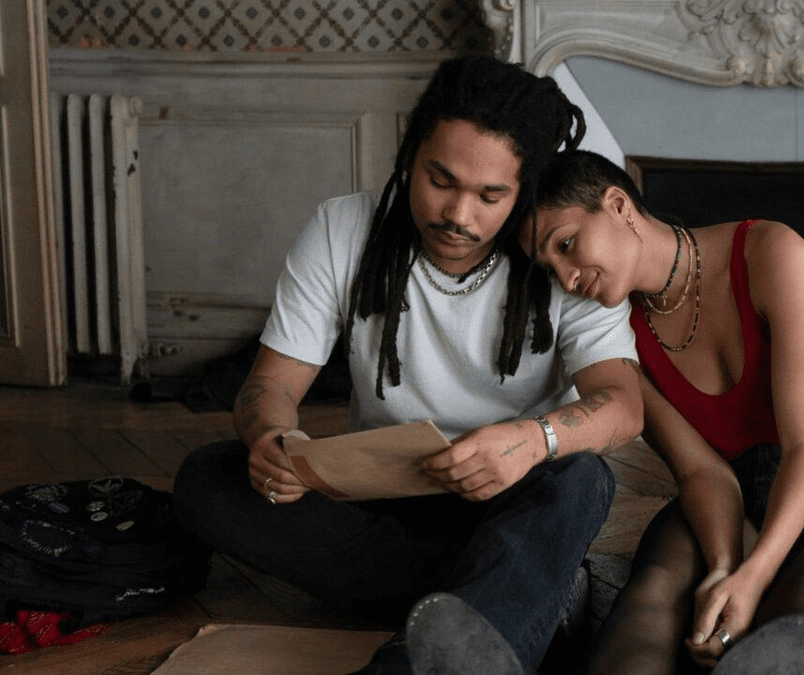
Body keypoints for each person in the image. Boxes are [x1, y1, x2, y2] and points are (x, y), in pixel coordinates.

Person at [171, 57, 643, 675]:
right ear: (410, 152)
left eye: (491, 196)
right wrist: (272, 439)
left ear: (524, 188)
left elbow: (623, 405)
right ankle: (519, 594)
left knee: (581, 479)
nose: (459, 215)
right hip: (381, 495)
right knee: (209, 480)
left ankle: (427, 655)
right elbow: (271, 384)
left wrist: (531, 441)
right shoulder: (343, 228)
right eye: (440, 180)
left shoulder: (560, 254)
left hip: (510, 495)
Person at [521, 150, 804, 675]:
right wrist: (726, 568)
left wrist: (753, 578)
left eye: (567, 244)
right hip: (725, 491)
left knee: (801, 601)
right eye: (551, 268)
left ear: (617, 205)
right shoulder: (615, 340)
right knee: (654, 593)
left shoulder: (773, 253)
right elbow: (701, 472)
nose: (568, 278)